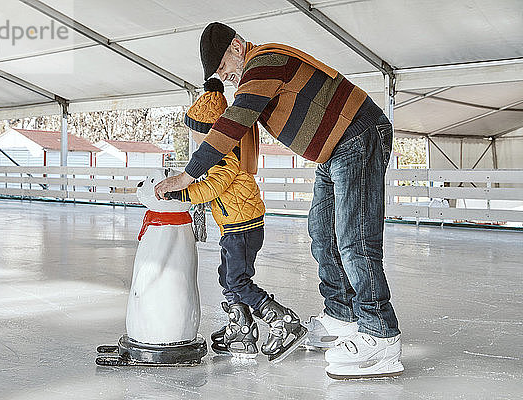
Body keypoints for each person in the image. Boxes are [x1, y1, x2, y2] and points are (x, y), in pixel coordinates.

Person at [155, 22, 403, 379]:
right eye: (219, 74)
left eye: (223, 66)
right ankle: (343, 315)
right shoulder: (255, 72)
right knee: (322, 233)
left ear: (237, 47)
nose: (224, 76)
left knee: (354, 239)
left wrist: (188, 174)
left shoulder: (265, 62)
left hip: (357, 135)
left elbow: (234, 122)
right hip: (332, 151)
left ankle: (381, 333)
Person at [165, 77, 306, 362]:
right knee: (227, 277)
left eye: (197, 134)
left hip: (243, 228)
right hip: (235, 227)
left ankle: (282, 320)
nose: (195, 140)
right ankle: (241, 328)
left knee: (238, 280)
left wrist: (181, 194)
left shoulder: (225, 157)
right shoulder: (221, 155)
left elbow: (212, 188)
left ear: (211, 134)